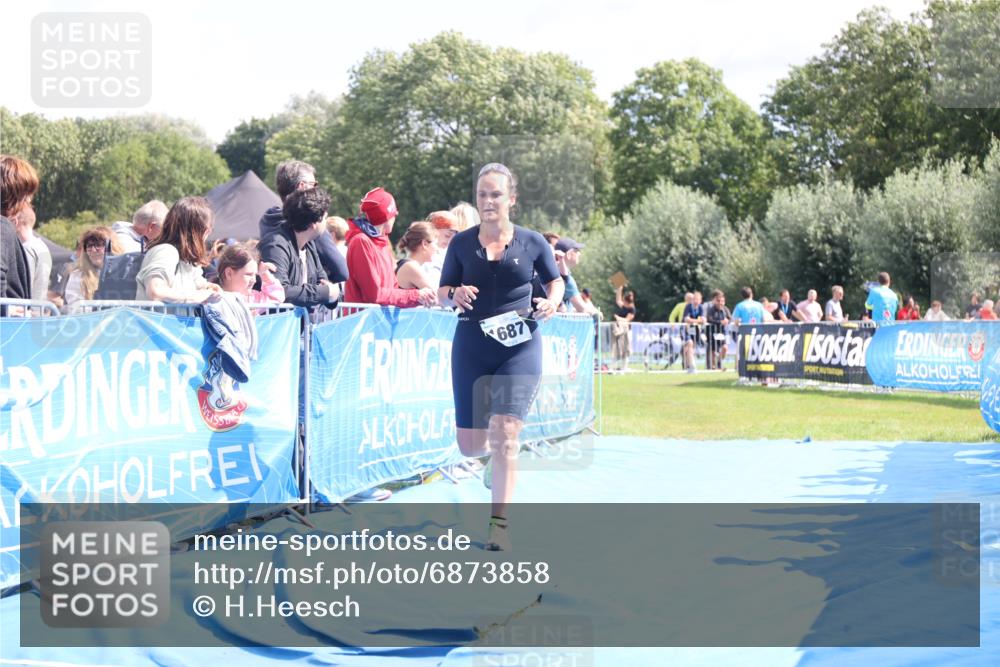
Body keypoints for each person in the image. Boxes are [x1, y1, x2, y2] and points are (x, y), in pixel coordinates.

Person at [437, 162, 563, 551]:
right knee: (471, 446)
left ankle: (499, 525)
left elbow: (555, 280)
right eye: (482, 195)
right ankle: (491, 458)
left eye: (495, 194)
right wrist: (452, 296)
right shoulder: (461, 243)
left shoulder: (532, 242)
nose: (488, 201)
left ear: (512, 199)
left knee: (507, 432)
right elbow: (443, 290)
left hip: (520, 346)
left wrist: (553, 302)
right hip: (472, 345)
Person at [259, 160, 348, 286]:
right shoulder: (311, 225)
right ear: (302, 186)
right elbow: (342, 271)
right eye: (314, 184)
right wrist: (324, 291)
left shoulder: (267, 220)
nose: (316, 189)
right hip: (298, 300)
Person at [345, 187, 436, 307]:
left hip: (378, 321)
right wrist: (415, 295)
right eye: (394, 215)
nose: (395, 218)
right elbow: (375, 294)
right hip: (363, 322)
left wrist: (418, 298)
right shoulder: (361, 242)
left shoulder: (382, 240)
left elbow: (392, 288)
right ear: (386, 217)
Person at [259, 187, 341, 309]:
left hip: (297, 326)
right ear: (313, 224)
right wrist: (326, 293)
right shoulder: (275, 245)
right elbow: (281, 292)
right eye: (324, 218)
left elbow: (324, 284)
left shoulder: (310, 245)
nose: (326, 223)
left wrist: (330, 295)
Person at [135, 197, 223, 304]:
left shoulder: (186, 259)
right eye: (209, 229)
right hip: (157, 320)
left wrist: (208, 287)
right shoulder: (166, 251)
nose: (208, 234)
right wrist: (195, 297)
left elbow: (195, 281)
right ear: (200, 231)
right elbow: (156, 291)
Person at [0, 155, 38, 301]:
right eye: (26, 193)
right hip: (9, 323)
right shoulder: (2, 227)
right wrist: (6, 309)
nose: (29, 199)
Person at [65, 227, 123, 309]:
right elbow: (76, 307)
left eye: (98, 245)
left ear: (111, 247)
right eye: (89, 246)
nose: (93, 250)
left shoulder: (126, 272)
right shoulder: (78, 275)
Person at [215, 243, 284, 305]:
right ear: (229, 273)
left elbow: (276, 297)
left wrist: (264, 274)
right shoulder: (213, 298)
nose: (254, 280)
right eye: (249, 274)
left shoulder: (251, 298)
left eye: (255, 275)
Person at [11, 204, 50, 302]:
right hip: (38, 309)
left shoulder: (27, 250)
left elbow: (23, 285)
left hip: (26, 311)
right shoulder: (42, 247)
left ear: (16, 221)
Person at [556, 237, 598, 315]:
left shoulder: (552, 271)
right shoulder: (567, 279)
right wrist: (597, 313)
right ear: (568, 254)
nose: (579, 253)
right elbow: (582, 309)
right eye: (576, 251)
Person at [395, 221, 440, 290]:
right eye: (436, 244)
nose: (437, 249)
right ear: (424, 244)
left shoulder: (410, 265)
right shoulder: (411, 267)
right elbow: (437, 296)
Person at [611, 286, 636, 372]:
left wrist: (618, 318)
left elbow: (627, 319)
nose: (622, 302)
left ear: (627, 301)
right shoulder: (624, 306)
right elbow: (618, 300)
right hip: (619, 331)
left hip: (626, 331)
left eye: (624, 301)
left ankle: (624, 368)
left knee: (626, 350)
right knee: (616, 349)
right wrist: (619, 288)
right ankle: (614, 367)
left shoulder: (632, 309)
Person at [705, 289, 731, 370]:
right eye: (719, 301)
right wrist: (720, 322)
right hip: (712, 333)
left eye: (722, 301)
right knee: (713, 351)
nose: (721, 303)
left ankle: (719, 362)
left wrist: (727, 320)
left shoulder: (725, 309)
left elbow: (730, 318)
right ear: (715, 301)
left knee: (725, 348)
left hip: (722, 333)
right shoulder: (711, 309)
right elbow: (709, 319)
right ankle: (712, 366)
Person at [682, 290, 706, 372]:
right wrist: (697, 321)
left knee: (691, 348)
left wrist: (696, 321)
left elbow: (703, 319)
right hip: (686, 330)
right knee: (689, 343)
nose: (696, 301)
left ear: (700, 300)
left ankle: (688, 366)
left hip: (696, 330)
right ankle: (692, 366)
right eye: (694, 299)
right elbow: (686, 319)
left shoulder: (701, 307)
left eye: (698, 299)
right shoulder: (688, 307)